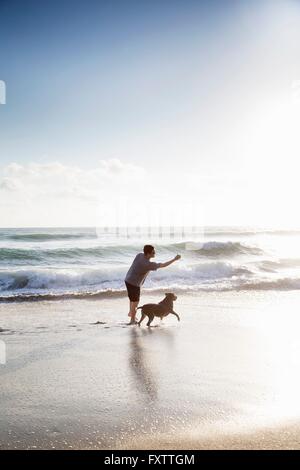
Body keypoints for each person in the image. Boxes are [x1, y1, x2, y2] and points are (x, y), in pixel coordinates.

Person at [124, 244, 181, 325]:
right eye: (153, 252)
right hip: (134, 284)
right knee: (135, 302)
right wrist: (174, 259)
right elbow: (163, 265)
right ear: (148, 254)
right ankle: (132, 320)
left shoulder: (140, 255)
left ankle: (131, 313)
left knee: (132, 299)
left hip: (128, 279)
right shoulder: (148, 264)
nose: (155, 253)